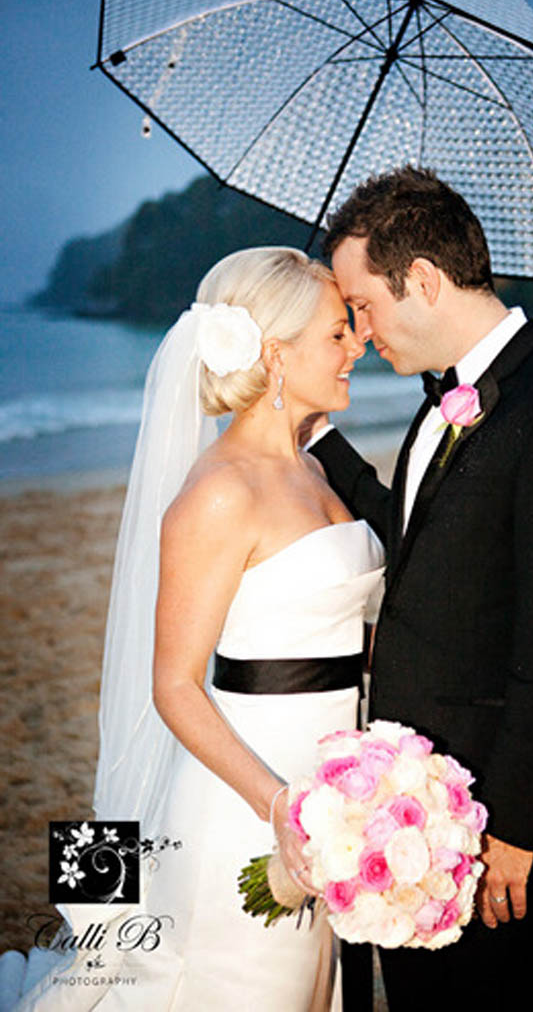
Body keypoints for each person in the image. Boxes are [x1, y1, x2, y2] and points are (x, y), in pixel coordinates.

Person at [307, 167, 533, 1011]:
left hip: (505, 834)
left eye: (364, 305)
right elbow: (426, 545)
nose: (361, 332)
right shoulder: (444, 402)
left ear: (422, 280)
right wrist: (319, 442)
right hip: (420, 816)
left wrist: (517, 832)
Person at [14, 247, 384, 1011]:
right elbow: (174, 686)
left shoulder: (314, 469)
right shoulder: (219, 492)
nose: (357, 346)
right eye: (336, 333)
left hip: (329, 789)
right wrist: (277, 806)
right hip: (246, 804)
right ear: (275, 356)